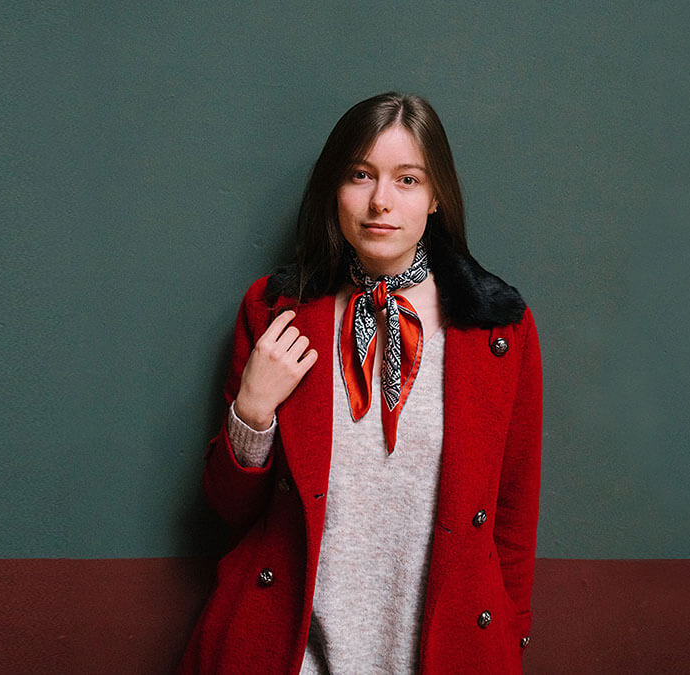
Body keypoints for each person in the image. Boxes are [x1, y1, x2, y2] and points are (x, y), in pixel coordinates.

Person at [180, 92, 542, 674]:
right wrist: (253, 408)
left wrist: (508, 645)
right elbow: (228, 508)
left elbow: (513, 515)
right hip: (292, 655)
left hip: (442, 655)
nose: (380, 201)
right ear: (334, 189)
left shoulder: (498, 329)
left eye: (407, 179)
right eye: (360, 175)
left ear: (436, 197)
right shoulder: (276, 310)